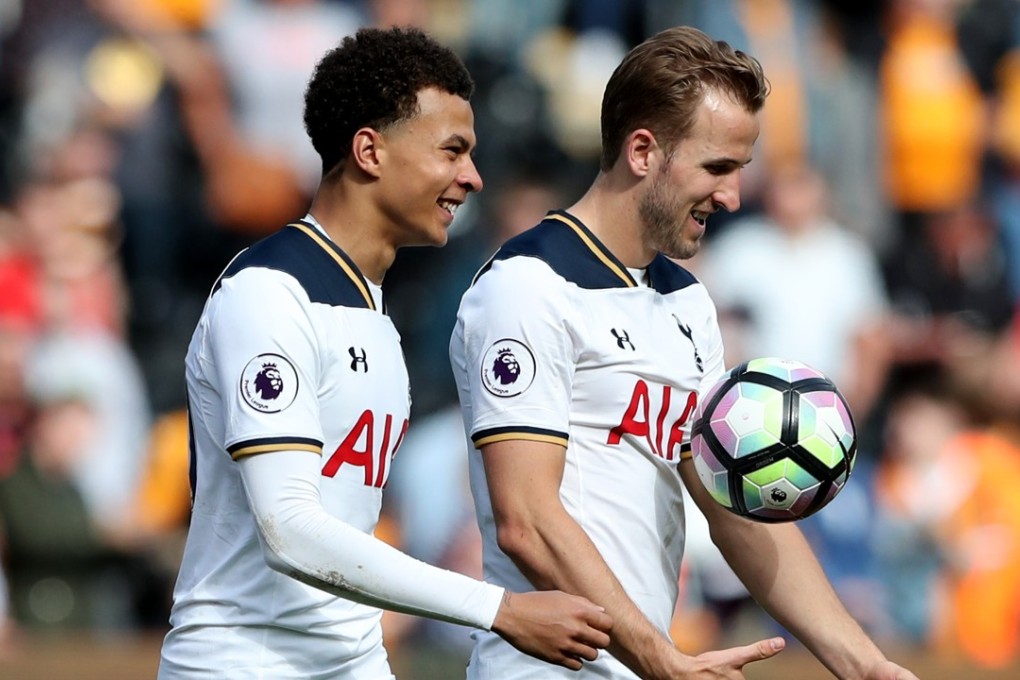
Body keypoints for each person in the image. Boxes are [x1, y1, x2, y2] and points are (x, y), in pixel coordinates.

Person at [450, 25, 919, 680]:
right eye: (716, 168)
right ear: (643, 150)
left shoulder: (686, 300)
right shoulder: (527, 288)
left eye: (740, 171)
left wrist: (865, 665)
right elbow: (526, 520)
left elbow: (733, 510)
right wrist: (659, 658)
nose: (731, 196)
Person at [157, 26, 611, 679]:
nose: (472, 178)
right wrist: (500, 610)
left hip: (353, 659)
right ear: (369, 150)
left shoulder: (375, 310)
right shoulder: (268, 294)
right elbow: (289, 528)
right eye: (452, 151)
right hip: (241, 661)